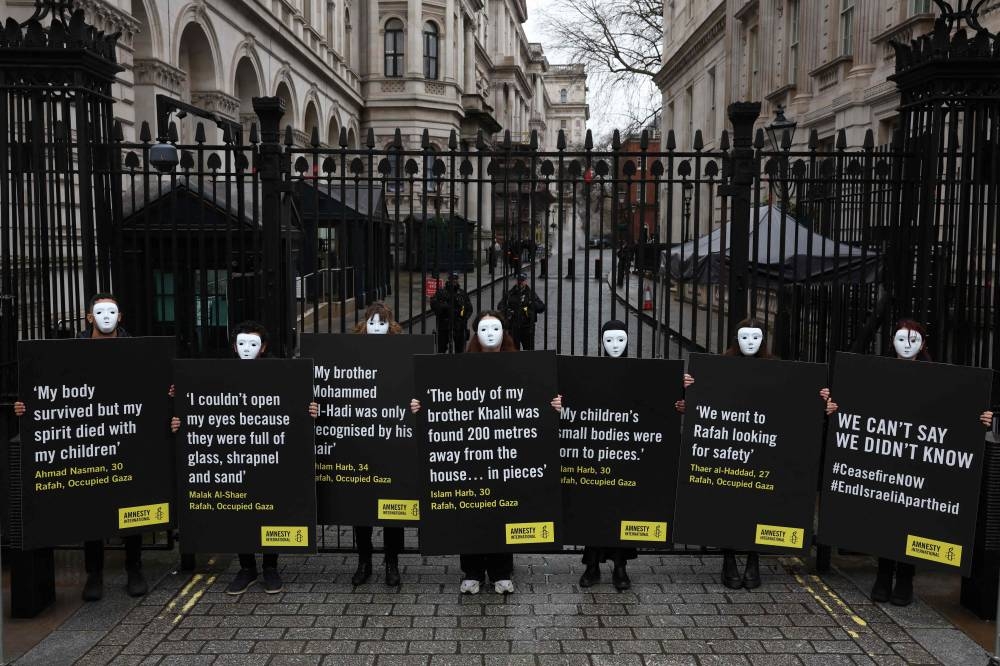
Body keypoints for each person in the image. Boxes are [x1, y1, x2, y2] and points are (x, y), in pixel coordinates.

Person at [409, 311, 562, 595]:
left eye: (496, 328)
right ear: (475, 334)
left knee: (504, 507)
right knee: (470, 509)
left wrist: (552, 405)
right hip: (472, 451)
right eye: (484, 328)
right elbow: (443, 401)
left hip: (506, 453)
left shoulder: (522, 365)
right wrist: (421, 408)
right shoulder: (459, 367)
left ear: (505, 332)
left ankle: (502, 571)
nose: (490, 333)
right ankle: (473, 571)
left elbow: (535, 401)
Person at [677, 319, 835, 590]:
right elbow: (695, 404)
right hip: (730, 448)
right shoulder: (718, 369)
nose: (749, 342)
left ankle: (752, 559)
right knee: (728, 502)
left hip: (762, 447)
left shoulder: (778, 369)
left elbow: (796, 406)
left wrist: (820, 400)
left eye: (755, 338)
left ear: (763, 340)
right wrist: (688, 392)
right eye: (744, 337)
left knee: (757, 504)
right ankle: (729, 559)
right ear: (735, 339)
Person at [14, 293, 149, 601]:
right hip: (90, 438)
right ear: (89, 317)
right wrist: (26, 407)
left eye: (111, 311)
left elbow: (151, 383)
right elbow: (51, 388)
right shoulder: (71, 351)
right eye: (99, 312)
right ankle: (95, 573)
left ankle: (135, 567)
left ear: (120, 316)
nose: (105, 317)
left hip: (127, 434)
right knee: (92, 507)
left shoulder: (137, 350)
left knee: (133, 503)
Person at [170, 321, 319, 596]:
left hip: (269, 450)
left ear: (263, 348)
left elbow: (297, 407)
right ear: (233, 346)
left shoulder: (281, 373)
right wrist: (181, 415)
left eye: (253, 344)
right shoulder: (219, 375)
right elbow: (199, 406)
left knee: (270, 503)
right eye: (241, 343)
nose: (246, 349)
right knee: (241, 508)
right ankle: (246, 567)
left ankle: (271, 567)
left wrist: (309, 410)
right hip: (236, 452)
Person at [866, 319, 993, 606]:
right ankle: (884, 574)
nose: (906, 345)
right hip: (888, 454)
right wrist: (833, 404)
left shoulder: (938, 376)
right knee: (887, 514)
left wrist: (981, 417)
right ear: (891, 342)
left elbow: (957, 409)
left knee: (913, 516)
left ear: (923, 344)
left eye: (914, 340)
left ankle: (905, 578)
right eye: (901, 339)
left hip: (920, 458)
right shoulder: (876, 373)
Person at [350, 302, 405, 587]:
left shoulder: (402, 354)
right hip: (361, 444)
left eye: (381, 323)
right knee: (361, 510)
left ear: (390, 326)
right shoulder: (351, 355)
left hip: (392, 443)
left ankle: (392, 562)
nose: (376, 328)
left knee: (393, 509)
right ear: (364, 325)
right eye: (372, 323)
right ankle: (364, 561)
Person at [499, 273, 545, 350]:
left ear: (526, 281)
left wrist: (531, 303)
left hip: (527, 327)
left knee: (529, 351)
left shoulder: (531, 294)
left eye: (522, 281)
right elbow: (500, 306)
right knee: (513, 351)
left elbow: (541, 307)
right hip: (514, 327)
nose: (520, 282)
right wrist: (508, 312)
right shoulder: (510, 293)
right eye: (519, 281)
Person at [430, 271, 472, 354]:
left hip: (458, 325)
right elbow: (434, 304)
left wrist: (463, 319)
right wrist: (442, 307)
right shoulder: (441, 292)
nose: (454, 281)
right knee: (441, 350)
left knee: (459, 350)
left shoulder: (462, 293)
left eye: (455, 278)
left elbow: (469, 308)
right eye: (452, 278)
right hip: (444, 325)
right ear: (448, 279)